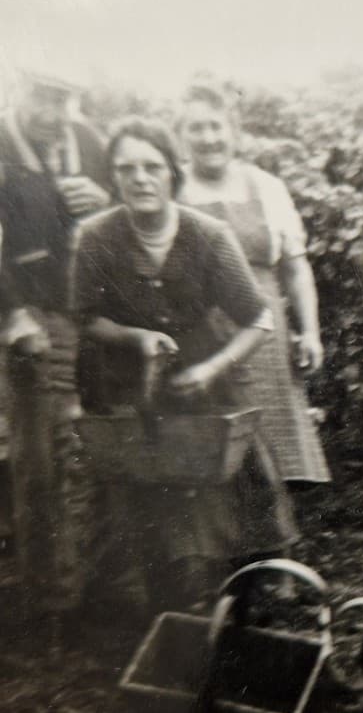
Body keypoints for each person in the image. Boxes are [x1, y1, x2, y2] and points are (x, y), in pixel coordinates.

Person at [72, 116, 294, 614]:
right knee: (149, 496)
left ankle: (246, 603)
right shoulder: (96, 236)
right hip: (134, 384)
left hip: (206, 378)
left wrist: (211, 370)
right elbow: (86, 318)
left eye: (152, 166)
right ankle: (170, 609)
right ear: (113, 176)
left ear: (172, 172)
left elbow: (259, 321)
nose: (140, 178)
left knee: (232, 486)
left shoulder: (207, 235)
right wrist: (136, 337)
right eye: (126, 168)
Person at [176, 80, 330, 522]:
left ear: (233, 130)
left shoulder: (266, 187)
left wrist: (310, 332)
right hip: (203, 338)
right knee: (217, 446)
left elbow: (296, 268)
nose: (208, 138)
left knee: (275, 444)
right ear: (181, 137)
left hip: (266, 335)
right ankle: (228, 568)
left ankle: (279, 565)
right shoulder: (173, 192)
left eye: (216, 126)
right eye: (195, 128)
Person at [0, 71, 111, 640]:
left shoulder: (91, 141)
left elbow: (138, 203)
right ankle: (50, 604)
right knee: (40, 454)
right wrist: (10, 313)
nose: (52, 112)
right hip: (32, 313)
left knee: (92, 446)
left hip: (96, 315)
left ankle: (90, 583)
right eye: (42, 97)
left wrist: (105, 197)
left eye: (63, 99)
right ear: (19, 89)